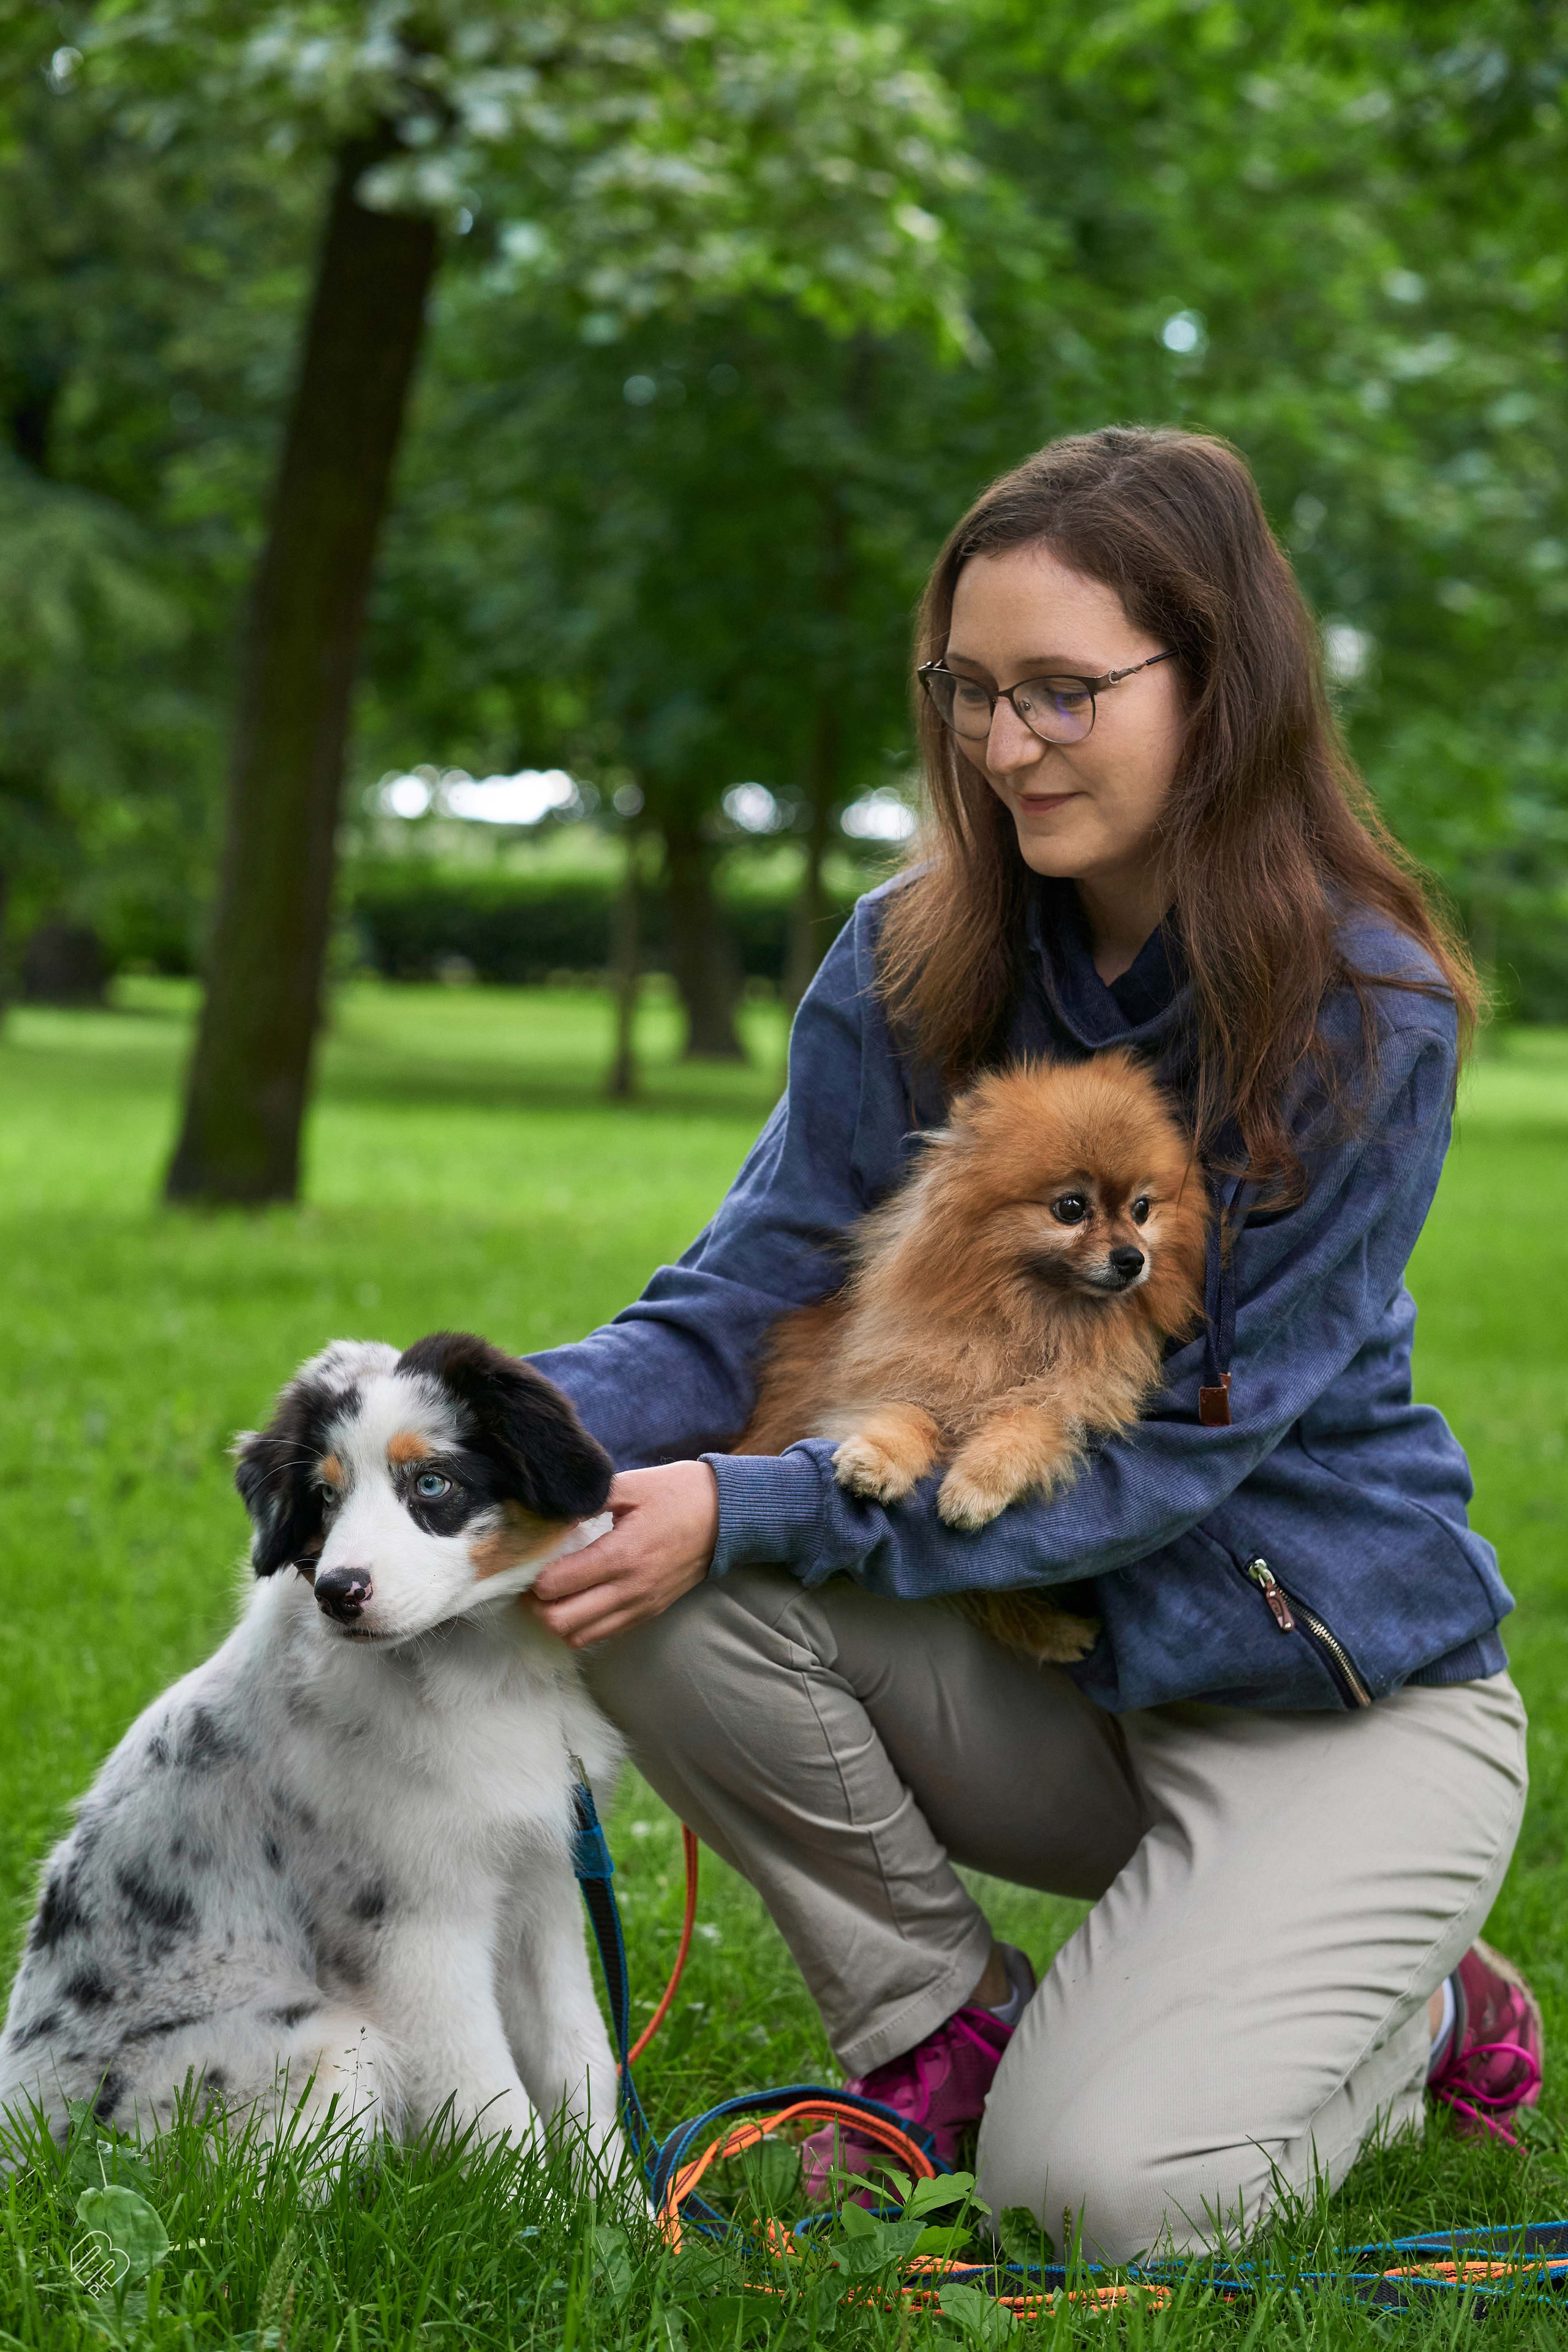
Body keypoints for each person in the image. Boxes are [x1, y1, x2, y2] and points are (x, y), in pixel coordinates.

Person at [522, 428, 1539, 2261]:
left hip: (1335, 1699)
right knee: (643, 1579)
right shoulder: (909, 954)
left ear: (1217, 688)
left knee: (1100, 2203)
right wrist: (478, 1436)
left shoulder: (1363, 1005)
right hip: (1055, 1680)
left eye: (1063, 691)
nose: (1005, 747)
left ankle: (1417, 2007)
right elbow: (744, 1296)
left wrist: (757, 1504)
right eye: (970, 691)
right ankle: (941, 2032)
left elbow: (1182, 1448)